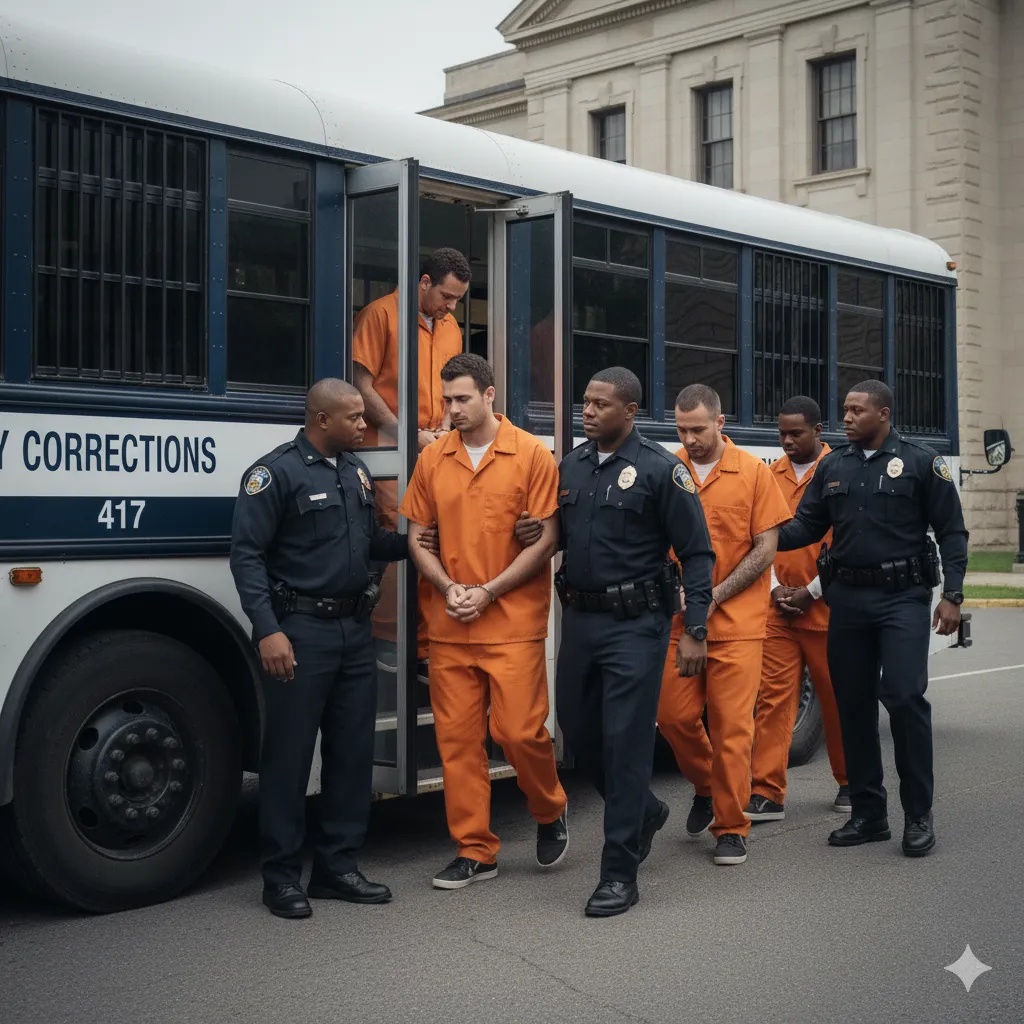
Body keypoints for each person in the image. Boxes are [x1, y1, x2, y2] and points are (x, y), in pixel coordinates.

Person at [230, 379, 412, 919]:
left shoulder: (354, 472)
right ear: (320, 419)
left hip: (354, 632)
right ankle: (281, 878)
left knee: (352, 754)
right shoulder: (275, 473)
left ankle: (337, 867)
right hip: (300, 633)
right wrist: (267, 629)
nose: (364, 425)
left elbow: (374, 543)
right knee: (288, 758)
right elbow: (247, 557)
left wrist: (423, 542)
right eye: (355, 417)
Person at [776, 380, 967, 857]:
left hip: (902, 599)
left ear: (883, 414)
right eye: (845, 410)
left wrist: (954, 598)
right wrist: (756, 533)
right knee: (852, 706)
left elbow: (951, 531)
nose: (847, 417)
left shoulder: (923, 462)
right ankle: (868, 814)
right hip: (849, 600)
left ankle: (918, 814)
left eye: (857, 411)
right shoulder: (834, 466)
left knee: (903, 697)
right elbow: (806, 527)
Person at [399, 353, 568, 890]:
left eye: (463, 399)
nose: (452, 410)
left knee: (518, 733)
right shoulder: (433, 460)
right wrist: (450, 589)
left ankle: (549, 808)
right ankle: (475, 849)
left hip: (513, 622)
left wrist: (489, 591)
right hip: (450, 623)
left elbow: (546, 538)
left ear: (491, 395)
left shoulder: (531, 455)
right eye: (447, 400)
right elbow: (415, 537)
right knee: (458, 742)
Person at [553, 367, 715, 917]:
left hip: (636, 625)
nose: (588, 411)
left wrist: (696, 628)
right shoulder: (571, 465)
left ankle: (619, 873)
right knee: (576, 730)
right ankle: (644, 811)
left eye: (600, 404)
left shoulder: (661, 471)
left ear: (630, 411)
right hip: (579, 619)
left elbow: (697, 554)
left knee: (625, 745)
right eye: (586, 401)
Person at [656, 384, 792, 867]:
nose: (689, 439)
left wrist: (711, 597)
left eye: (697, 429)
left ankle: (732, 827)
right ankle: (708, 787)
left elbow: (765, 549)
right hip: (678, 625)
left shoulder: (754, 473)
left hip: (737, 624)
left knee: (733, 728)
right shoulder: (669, 469)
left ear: (720, 424)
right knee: (672, 717)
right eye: (681, 429)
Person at [352, 247, 472, 658]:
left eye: (457, 299)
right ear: (424, 283)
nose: (451, 307)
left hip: (432, 446)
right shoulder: (380, 315)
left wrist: (446, 426)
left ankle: (422, 642)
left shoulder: (451, 328)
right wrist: (408, 436)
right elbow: (361, 389)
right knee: (397, 533)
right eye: (447, 297)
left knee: (433, 535)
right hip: (385, 447)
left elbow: (452, 390)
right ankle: (388, 641)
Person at [746, 396, 848, 824]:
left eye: (796, 433)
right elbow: (761, 540)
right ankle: (767, 790)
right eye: (781, 433)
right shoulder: (771, 475)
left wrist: (811, 591)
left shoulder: (840, 473)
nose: (786, 441)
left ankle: (850, 782)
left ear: (818, 431)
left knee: (837, 700)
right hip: (779, 610)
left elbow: (848, 543)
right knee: (772, 700)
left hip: (826, 608)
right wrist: (773, 590)